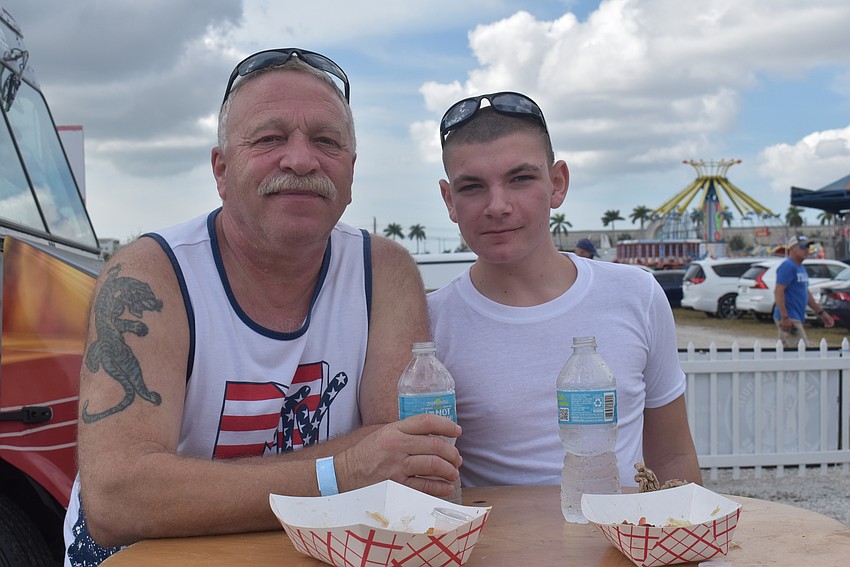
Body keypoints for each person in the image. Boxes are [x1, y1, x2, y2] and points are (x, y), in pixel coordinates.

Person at [63, 48, 461, 566]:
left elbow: (407, 467)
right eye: (270, 138)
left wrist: (187, 487)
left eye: (326, 140)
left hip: (318, 550)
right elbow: (118, 500)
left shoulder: (383, 270)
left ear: (351, 172)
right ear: (221, 170)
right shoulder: (149, 275)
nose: (300, 159)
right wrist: (340, 472)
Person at [427, 91, 701, 489]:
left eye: (520, 179)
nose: (497, 205)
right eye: (472, 187)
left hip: (622, 547)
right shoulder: (430, 321)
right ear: (449, 200)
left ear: (557, 184)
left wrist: (686, 547)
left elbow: (673, 454)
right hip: (495, 550)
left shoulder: (636, 294)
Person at [774, 236, 834, 348]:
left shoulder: (801, 268)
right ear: (792, 249)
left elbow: (806, 293)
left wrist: (821, 312)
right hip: (790, 317)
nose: (806, 249)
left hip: (796, 316)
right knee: (802, 351)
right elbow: (778, 291)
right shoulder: (788, 266)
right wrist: (785, 317)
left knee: (786, 355)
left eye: (808, 247)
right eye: (802, 246)